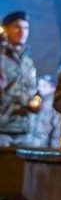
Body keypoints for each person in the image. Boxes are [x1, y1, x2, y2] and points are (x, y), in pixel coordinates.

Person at [0, 11, 41, 145]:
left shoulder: (27, 62)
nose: (22, 32)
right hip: (2, 130)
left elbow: (32, 90)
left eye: (26, 28)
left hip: (24, 130)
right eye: (17, 27)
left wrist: (37, 99)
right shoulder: (2, 58)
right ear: (6, 29)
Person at [25, 75, 61, 148]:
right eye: (39, 85)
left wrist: (55, 147)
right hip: (32, 143)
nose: (40, 88)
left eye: (44, 85)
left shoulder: (54, 104)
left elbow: (57, 128)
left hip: (44, 145)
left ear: (52, 87)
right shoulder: (37, 101)